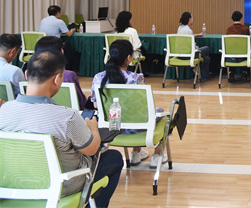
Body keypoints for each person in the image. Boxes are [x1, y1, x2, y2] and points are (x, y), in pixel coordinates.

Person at [0, 51, 123, 207]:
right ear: (57, 79)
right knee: (114, 157)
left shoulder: (4, 110)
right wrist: (93, 129)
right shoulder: (67, 117)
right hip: (61, 188)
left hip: (14, 183)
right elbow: (91, 150)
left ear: (26, 75)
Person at [90, 39, 166, 168]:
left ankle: (137, 153)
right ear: (129, 58)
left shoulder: (98, 78)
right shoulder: (137, 78)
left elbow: (96, 105)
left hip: (110, 128)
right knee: (162, 114)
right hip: (136, 127)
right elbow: (143, 108)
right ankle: (156, 155)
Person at [33, 36, 87, 108]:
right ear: (61, 51)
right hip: (69, 112)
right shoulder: (68, 75)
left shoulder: (32, 75)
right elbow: (80, 102)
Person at [39, 5, 79, 70]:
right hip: (54, 45)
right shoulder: (59, 22)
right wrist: (72, 30)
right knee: (70, 49)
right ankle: (65, 69)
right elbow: (69, 34)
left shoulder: (43, 20)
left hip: (43, 45)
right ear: (57, 13)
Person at [177, 12, 211, 81]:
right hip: (189, 55)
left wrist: (198, 34)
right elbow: (193, 46)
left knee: (206, 58)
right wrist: (198, 48)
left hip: (179, 54)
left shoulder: (180, 28)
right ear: (189, 19)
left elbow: (187, 36)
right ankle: (203, 76)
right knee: (206, 49)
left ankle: (203, 75)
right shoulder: (189, 30)